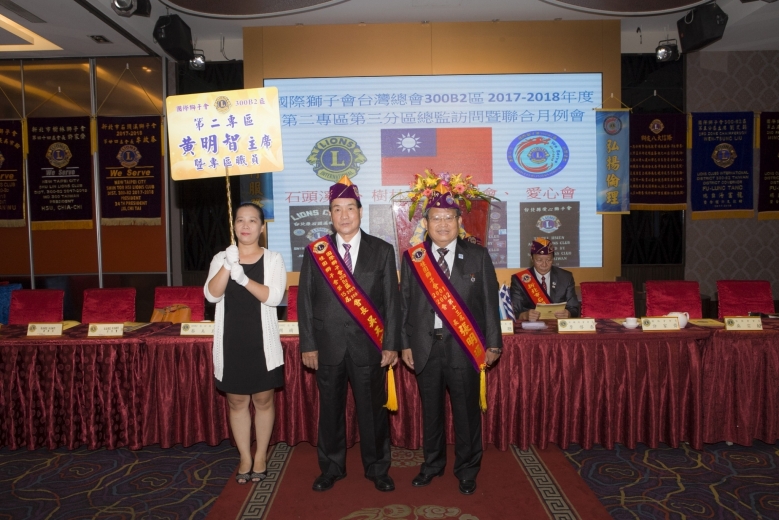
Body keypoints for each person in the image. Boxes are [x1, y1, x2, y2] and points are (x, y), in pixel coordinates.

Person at [297, 175, 400, 493]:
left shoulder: (381, 250)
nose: (344, 215)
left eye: (350, 208)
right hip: (327, 345)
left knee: (372, 412)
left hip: (368, 345)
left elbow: (392, 302)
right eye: (337, 209)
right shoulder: (316, 251)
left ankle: (377, 468)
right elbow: (305, 300)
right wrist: (308, 344)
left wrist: (391, 344)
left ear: (360, 211)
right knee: (329, 411)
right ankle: (331, 468)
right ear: (330, 214)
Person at [400, 188, 503, 496]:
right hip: (425, 347)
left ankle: (467, 469)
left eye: (448, 218)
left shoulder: (478, 256)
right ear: (425, 223)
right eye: (436, 218)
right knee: (430, 412)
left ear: (459, 221)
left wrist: (493, 343)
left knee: (467, 413)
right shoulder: (413, 258)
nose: (442, 224)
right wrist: (405, 343)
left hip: (464, 347)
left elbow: (489, 303)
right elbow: (405, 305)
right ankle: (432, 465)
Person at [204, 202, 287, 485]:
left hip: (262, 341)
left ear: (261, 228)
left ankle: (260, 455)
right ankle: (245, 457)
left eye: (253, 220)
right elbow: (212, 295)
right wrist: (228, 266)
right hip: (231, 340)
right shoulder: (221, 257)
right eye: (240, 220)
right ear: (234, 226)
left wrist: (243, 278)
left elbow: (274, 297)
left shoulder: (273, 259)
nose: (246, 225)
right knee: (236, 401)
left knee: (263, 399)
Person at [510, 237, 580, 321]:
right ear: (532, 259)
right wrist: (525, 315)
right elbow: (514, 312)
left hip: (558, 325)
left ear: (553, 259)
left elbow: (574, 308)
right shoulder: (519, 280)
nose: (544, 264)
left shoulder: (565, 277)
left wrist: (568, 313)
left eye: (548, 260)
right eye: (539, 260)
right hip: (531, 326)